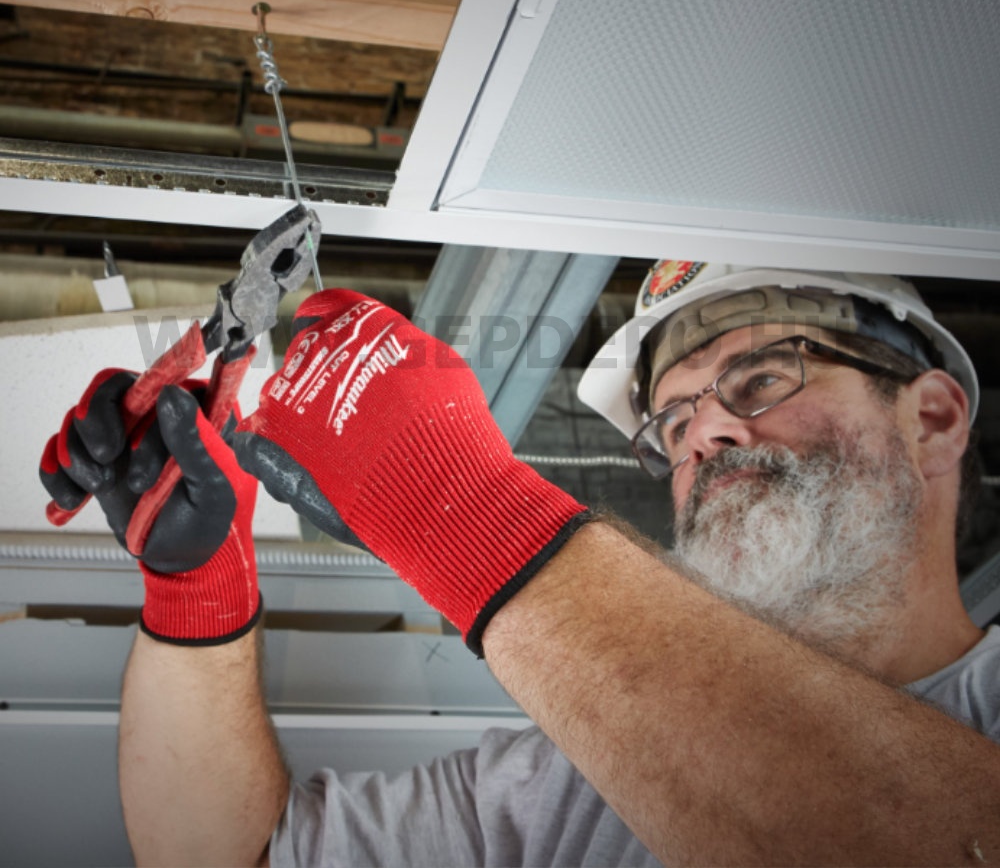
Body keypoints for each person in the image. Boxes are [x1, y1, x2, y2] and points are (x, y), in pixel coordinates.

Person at [39, 260, 1000, 867]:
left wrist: (465, 511)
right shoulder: (567, 782)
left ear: (933, 418)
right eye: (673, 422)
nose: (704, 432)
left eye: (761, 378)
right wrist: (198, 598)